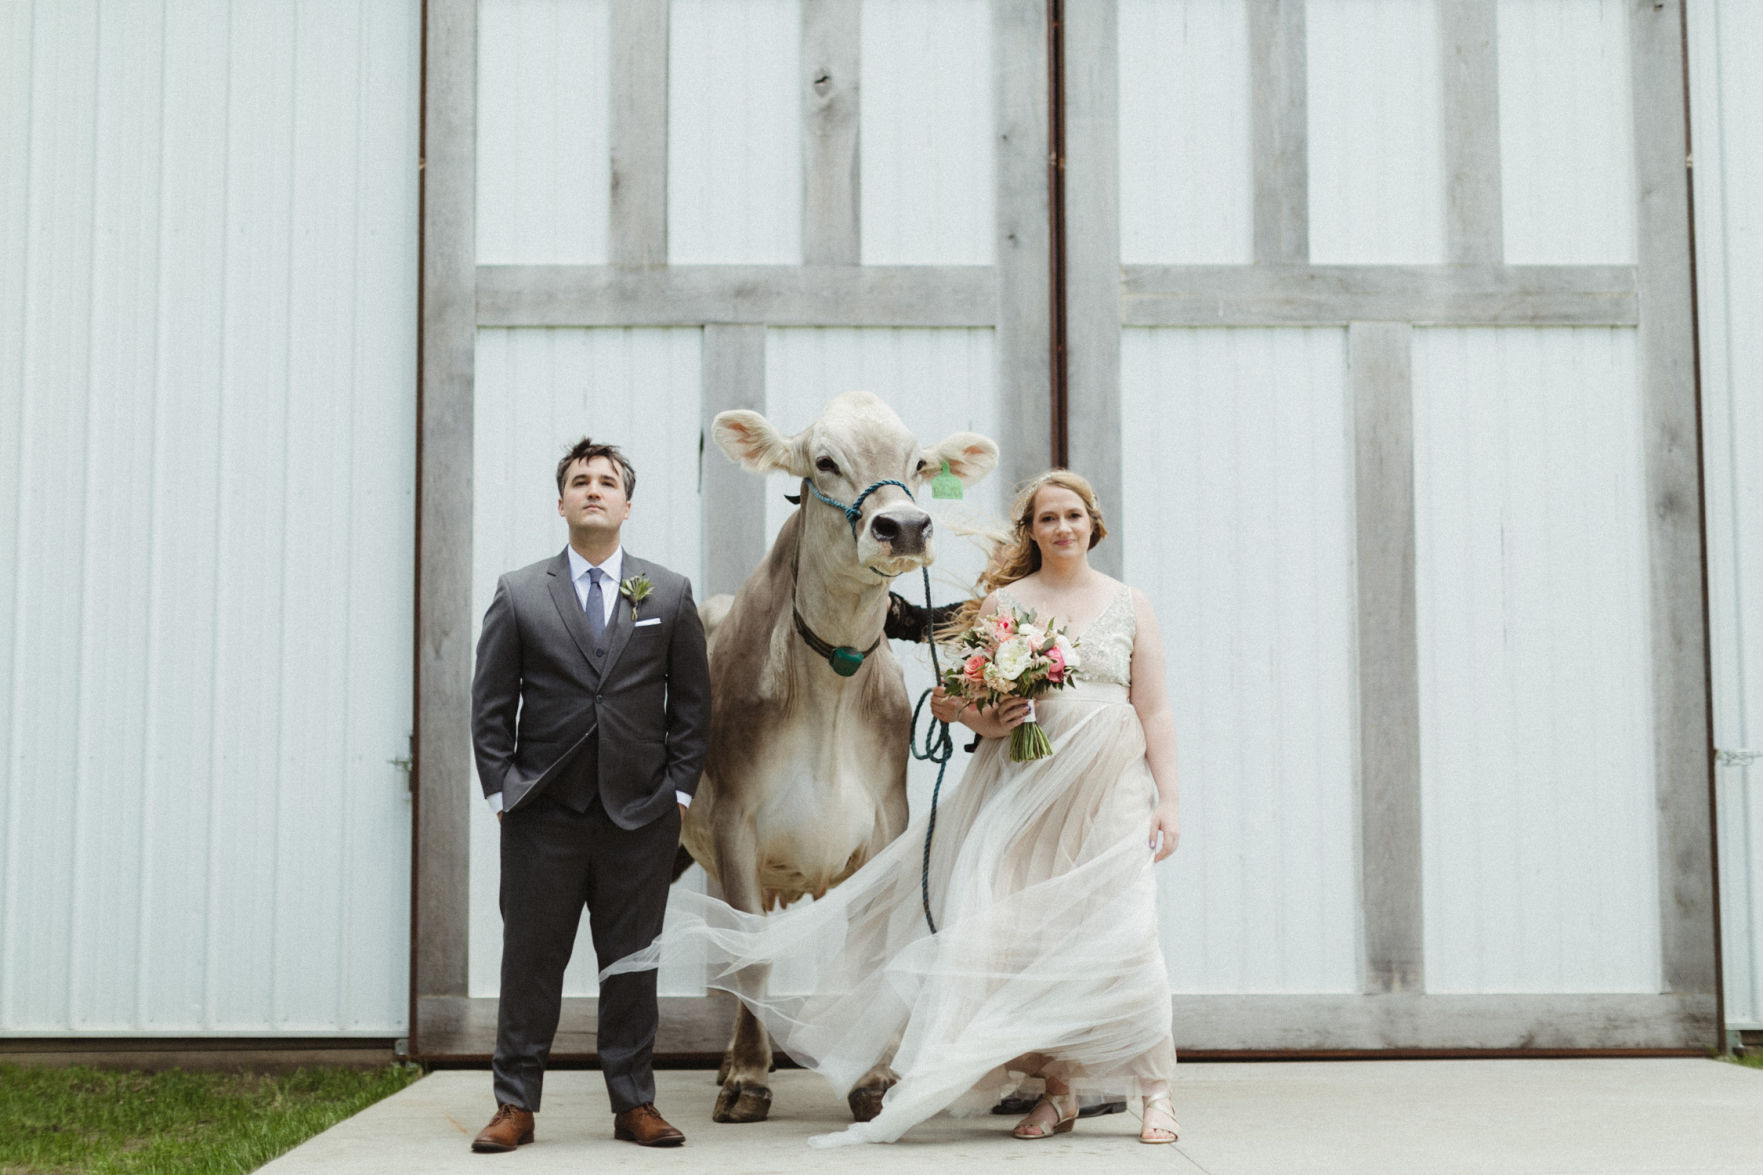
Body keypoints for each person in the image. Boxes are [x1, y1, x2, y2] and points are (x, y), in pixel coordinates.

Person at [606, 469, 1181, 1146]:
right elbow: (959, 702)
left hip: (1108, 785)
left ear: (1093, 524)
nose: (1061, 527)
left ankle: (1155, 1091)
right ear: (1030, 530)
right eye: (1046, 517)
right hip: (1025, 786)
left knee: (1123, 928)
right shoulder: (1003, 605)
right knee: (1026, 935)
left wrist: (1167, 799)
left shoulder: (1129, 602)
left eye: (1072, 516)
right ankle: (1058, 1091)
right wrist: (994, 720)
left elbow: (1154, 708)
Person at [469, 438, 711, 1152]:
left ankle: (635, 1101)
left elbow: (691, 706)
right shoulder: (519, 591)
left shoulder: (665, 592)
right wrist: (501, 793)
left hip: (639, 815)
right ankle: (515, 1102)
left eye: (607, 482)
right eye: (580, 481)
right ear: (562, 502)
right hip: (541, 814)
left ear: (627, 504)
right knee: (530, 961)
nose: (593, 490)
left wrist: (679, 794)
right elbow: (490, 705)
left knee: (632, 964)